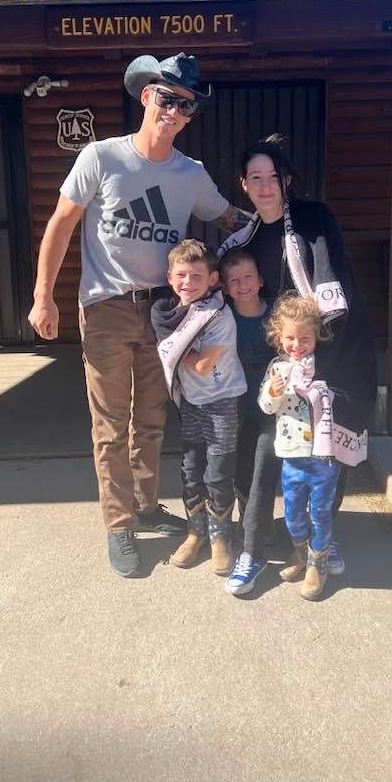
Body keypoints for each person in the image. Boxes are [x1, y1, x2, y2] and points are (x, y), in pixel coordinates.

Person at [28, 53, 246, 579]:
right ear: (146, 96)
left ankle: (146, 505)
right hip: (104, 308)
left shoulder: (189, 173)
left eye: (186, 104)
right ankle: (119, 525)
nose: (174, 110)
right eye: (166, 97)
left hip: (163, 312)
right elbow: (60, 224)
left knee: (151, 419)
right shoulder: (100, 157)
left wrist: (283, 220)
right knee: (110, 423)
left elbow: (230, 218)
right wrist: (43, 296)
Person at [218, 133, 378, 581]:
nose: (265, 186)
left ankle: (322, 538)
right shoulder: (242, 241)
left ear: (285, 180)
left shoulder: (313, 218)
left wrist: (315, 353)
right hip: (277, 359)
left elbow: (330, 281)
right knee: (271, 445)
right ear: (243, 184)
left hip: (335, 345)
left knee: (329, 446)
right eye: (256, 178)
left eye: (273, 177)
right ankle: (280, 535)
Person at [150, 240, 246, 577]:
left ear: (213, 279)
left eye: (196, 275)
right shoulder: (168, 312)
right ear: (169, 277)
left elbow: (204, 366)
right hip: (191, 402)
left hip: (221, 402)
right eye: (181, 275)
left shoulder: (218, 314)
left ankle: (221, 537)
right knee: (191, 468)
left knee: (218, 471)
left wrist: (171, 347)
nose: (187, 282)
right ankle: (196, 532)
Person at [258, 293, 338, 600]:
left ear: (316, 335)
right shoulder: (277, 368)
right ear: (279, 337)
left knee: (320, 511)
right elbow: (266, 407)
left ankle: (319, 563)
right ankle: (301, 552)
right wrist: (273, 392)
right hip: (291, 454)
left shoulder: (325, 365)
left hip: (323, 456)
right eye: (290, 338)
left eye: (305, 338)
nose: (297, 345)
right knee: (292, 512)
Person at [217, 249, 278, 596]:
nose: (242, 285)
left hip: (274, 414)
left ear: (260, 280)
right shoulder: (221, 319)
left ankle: (252, 552)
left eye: (248, 277)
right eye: (234, 280)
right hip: (235, 411)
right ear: (225, 287)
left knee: (260, 469)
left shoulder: (277, 318)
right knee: (239, 470)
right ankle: (254, 523)